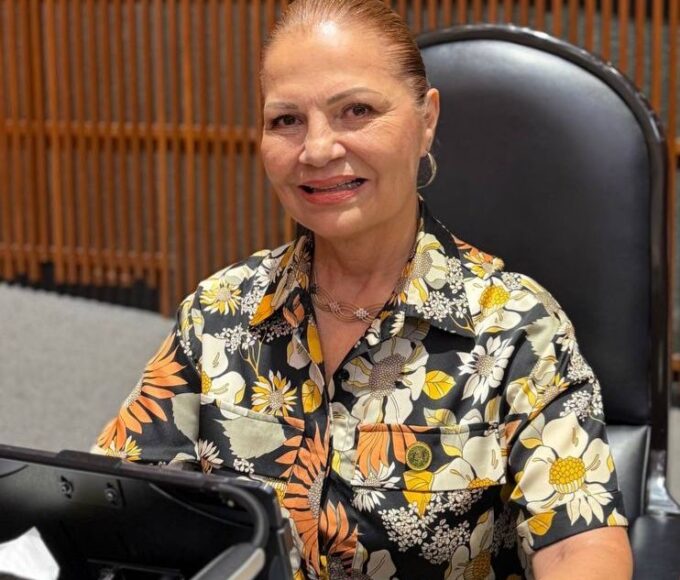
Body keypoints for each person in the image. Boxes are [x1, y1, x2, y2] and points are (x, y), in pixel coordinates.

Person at [93, 1, 634, 577]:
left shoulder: (516, 328)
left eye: (357, 111)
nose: (317, 149)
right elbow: (112, 502)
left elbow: (581, 545)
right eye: (286, 120)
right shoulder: (218, 313)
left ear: (426, 120)